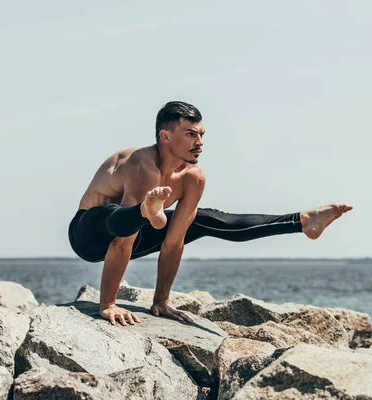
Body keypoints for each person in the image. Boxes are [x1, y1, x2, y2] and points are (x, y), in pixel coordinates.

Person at [68, 101, 352, 326]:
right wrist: (108, 304)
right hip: (90, 236)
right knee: (114, 214)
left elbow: (173, 242)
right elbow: (120, 242)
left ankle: (302, 221)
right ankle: (145, 211)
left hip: (137, 234)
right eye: (190, 134)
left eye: (201, 134)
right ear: (165, 136)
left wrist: (161, 300)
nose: (199, 142)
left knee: (202, 220)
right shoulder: (142, 166)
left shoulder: (193, 177)